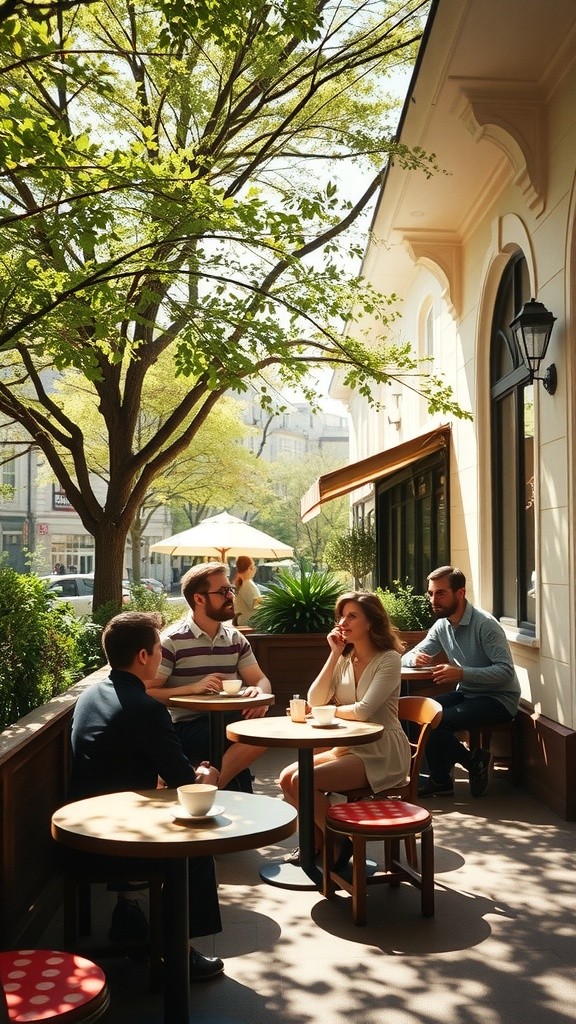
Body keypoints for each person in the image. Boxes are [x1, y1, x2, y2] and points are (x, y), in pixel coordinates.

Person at [68, 611, 225, 981]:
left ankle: (128, 913)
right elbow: (186, 785)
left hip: (81, 830)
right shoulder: (146, 709)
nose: (161, 654)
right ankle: (178, 951)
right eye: (158, 649)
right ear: (143, 656)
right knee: (196, 844)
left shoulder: (93, 695)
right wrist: (208, 776)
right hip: (114, 843)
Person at [279, 591, 410, 865]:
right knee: (286, 778)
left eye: (352, 616)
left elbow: (363, 711)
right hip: (350, 746)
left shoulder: (388, 659)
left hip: (381, 750)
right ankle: (319, 841)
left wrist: (324, 712)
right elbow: (315, 698)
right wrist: (335, 653)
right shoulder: (346, 659)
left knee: (304, 781)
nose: (342, 622)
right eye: (341, 615)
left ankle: (336, 841)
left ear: (371, 623)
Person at [148, 561, 272, 792]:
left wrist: (260, 693)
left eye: (230, 590)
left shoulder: (235, 639)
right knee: (252, 732)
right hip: (185, 728)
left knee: (262, 727)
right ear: (199, 599)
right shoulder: (172, 641)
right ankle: (215, 785)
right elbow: (148, 692)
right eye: (223, 591)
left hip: (226, 721)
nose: (230, 596)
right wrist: (192, 688)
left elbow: (260, 680)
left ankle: (212, 783)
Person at [401, 565, 521, 798]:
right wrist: (415, 659)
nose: (433, 599)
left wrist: (462, 673)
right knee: (421, 712)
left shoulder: (485, 625)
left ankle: (470, 763)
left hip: (499, 698)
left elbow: (505, 671)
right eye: (431, 593)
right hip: (467, 693)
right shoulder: (441, 625)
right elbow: (406, 657)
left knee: (438, 721)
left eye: (440, 593)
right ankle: (443, 781)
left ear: (460, 593)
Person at [232, 556, 261, 626]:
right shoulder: (247, 584)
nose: (255, 569)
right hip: (250, 624)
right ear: (250, 568)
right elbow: (256, 605)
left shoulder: (242, 584)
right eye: (253, 567)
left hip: (244, 622)